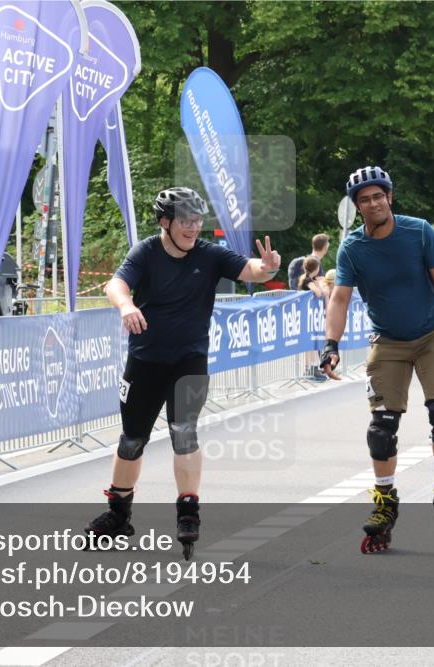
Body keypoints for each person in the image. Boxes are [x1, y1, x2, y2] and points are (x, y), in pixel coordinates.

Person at [87, 187, 282, 559]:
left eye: (197, 221)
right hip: (144, 362)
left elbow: (250, 270)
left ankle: (188, 511)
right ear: (165, 223)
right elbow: (116, 284)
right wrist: (126, 305)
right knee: (131, 440)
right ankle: (119, 514)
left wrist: (267, 267)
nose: (193, 229)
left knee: (184, 432)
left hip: (189, 362)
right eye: (185, 222)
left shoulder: (208, 255)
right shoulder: (146, 252)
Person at [320, 165, 434, 553]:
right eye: (364, 199)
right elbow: (339, 298)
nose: (373, 203)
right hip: (387, 340)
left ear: (389, 197)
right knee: (382, 429)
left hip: (431, 334)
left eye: (378, 195)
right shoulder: (353, 247)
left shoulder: (419, 231)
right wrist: (331, 345)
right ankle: (385, 501)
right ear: (357, 207)